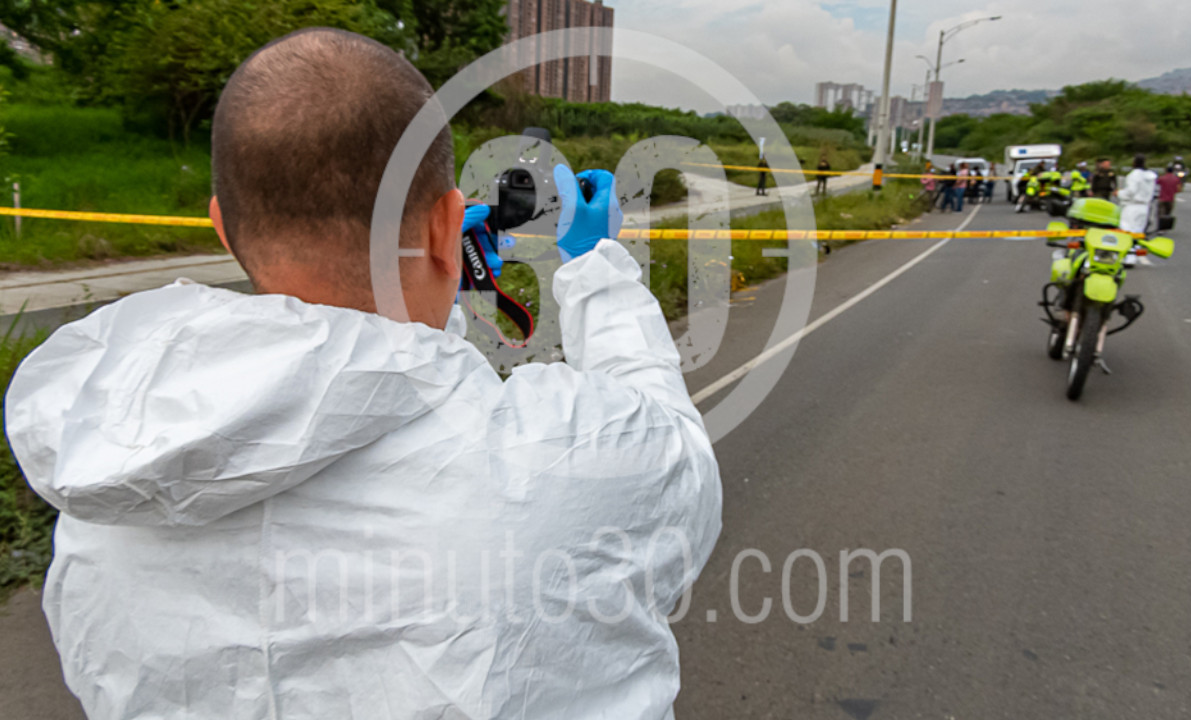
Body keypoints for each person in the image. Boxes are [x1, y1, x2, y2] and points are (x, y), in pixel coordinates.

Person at [6, 28, 722, 719]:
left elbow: (346, 382)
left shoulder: (110, 481)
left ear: (224, 227)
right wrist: (596, 268)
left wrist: (437, 283)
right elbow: (677, 463)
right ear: (449, 223)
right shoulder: (557, 460)